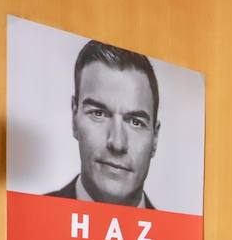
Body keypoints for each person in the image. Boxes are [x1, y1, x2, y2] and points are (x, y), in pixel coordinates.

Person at [47, 40, 160, 209]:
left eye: (136, 122)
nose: (117, 143)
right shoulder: (27, 222)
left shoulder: (176, 235)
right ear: (74, 118)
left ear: (155, 138)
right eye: (98, 114)